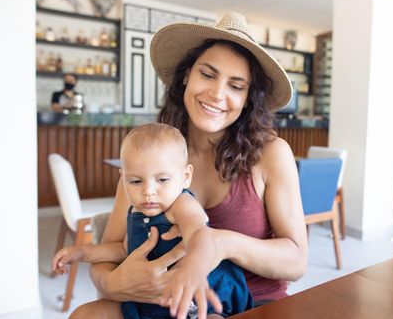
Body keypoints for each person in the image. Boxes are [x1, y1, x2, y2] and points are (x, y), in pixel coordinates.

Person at [71, 12, 308, 319]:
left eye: (236, 86)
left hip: (245, 303)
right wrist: (114, 282)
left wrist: (219, 243)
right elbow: (111, 250)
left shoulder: (272, 153)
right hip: (158, 302)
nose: (217, 94)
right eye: (207, 75)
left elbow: (297, 263)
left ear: (249, 98)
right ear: (186, 76)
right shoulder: (152, 156)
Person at [53, 123, 253, 318]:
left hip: (200, 302)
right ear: (123, 179)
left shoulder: (182, 204)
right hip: (149, 303)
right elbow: (123, 250)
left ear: (185, 177)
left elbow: (200, 234)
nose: (148, 191)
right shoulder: (136, 212)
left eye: (162, 180)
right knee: (82, 314)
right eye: (136, 181)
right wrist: (82, 252)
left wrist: (195, 268)